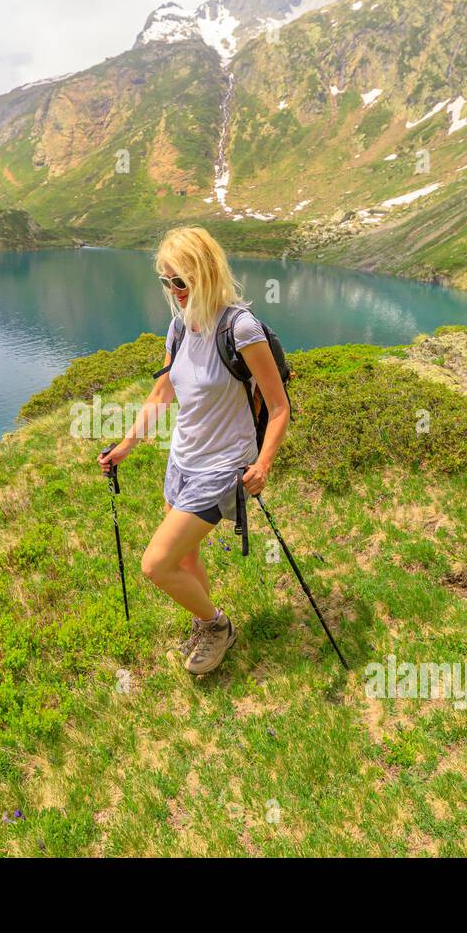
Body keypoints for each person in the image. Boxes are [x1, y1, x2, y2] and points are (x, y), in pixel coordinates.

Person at [97, 227, 290, 676]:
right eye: (166, 281)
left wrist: (263, 464)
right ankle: (207, 623)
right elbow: (161, 393)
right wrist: (127, 445)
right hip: (181, 461)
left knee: (155, 564)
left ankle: (217, 627)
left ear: (205, 273)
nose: (174, 291)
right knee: (184, 558)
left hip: (222, 466)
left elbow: (279, 406)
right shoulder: (179, 327)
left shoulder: (240, 328)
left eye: (180, 281)